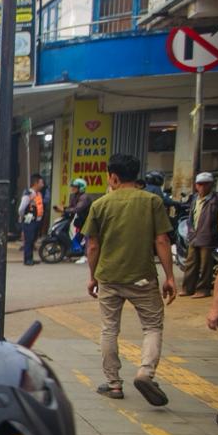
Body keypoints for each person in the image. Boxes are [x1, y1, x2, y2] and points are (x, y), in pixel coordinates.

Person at [82, 153, 176, 406]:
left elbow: (92, 246)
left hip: (109, 277)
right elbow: (162, 240)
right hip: (143, 278)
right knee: (152, 327)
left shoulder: (100, 205)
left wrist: (92, 277)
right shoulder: (152, 202)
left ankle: (113, 383)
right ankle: (145, 372)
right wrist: (170, 277)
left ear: (113, 177)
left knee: (109, 329)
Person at [182, 172, 218, 298]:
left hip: (208, 237)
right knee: (190, 264)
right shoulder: (195, 199)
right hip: (194, 236)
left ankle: (203, 290)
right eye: (200, 184)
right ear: (196, 185)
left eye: (205, 184)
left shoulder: (216, 199)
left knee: (205, 266)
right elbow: (191, 217)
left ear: (211, 185)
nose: (202, 187)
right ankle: (187, 288)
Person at [18, 174, 46, 266]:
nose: (43, 185)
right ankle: (27, 260)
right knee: (29, 240)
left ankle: (30, 258)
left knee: (33, 240)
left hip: (37, 220)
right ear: (35, 183)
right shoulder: (28, 194)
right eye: (41, 183)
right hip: (29, 220)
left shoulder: (38, 194)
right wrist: (23, 217)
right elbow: (21, 209)